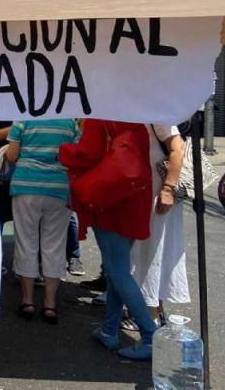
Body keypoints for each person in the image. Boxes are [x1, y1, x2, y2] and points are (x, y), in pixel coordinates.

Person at [59, 120, 156, 360]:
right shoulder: (137, 119)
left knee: (117, 271)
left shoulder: (99, 118)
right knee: (117, 270)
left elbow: (85, 154)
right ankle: (109, 330)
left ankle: (150, 336)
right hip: (134, 197)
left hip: (110, 200)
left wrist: (62, 150)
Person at [5, 119, 78, 325]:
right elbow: (76, 154)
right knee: (55, 245)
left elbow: (12, 155)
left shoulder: (23, 120)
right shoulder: (70, 123)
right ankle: (50, 304)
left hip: (26, 185)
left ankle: (27, 301)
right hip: (59, 187)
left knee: (26, 242)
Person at [129, 123, 189, 329]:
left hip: (158, 194)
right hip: (147, 193)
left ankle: (149, 316)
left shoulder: (160, 116)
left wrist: (167, 189)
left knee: (151, 251)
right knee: (147, 250)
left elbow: (177, 150)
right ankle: (155, 311)